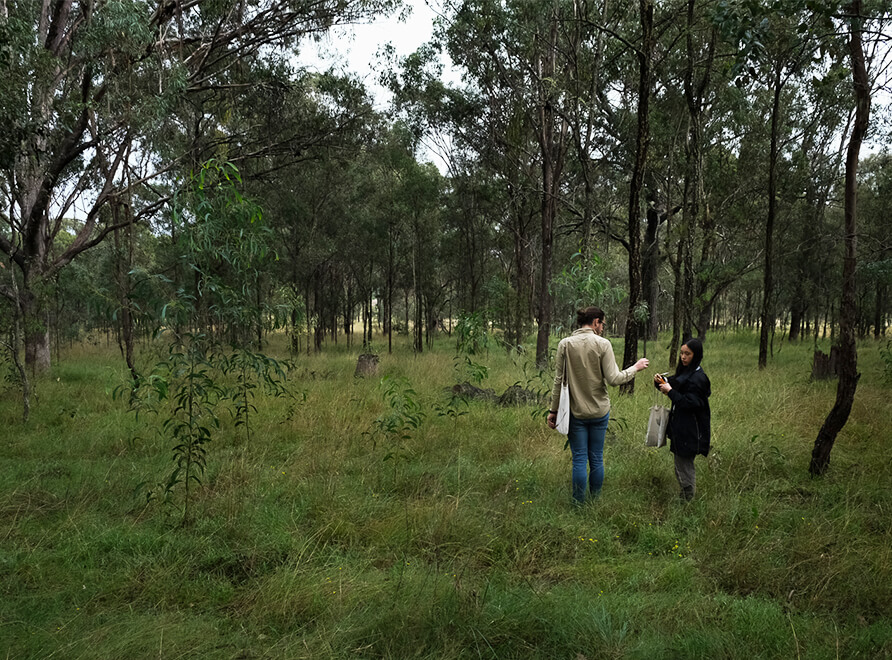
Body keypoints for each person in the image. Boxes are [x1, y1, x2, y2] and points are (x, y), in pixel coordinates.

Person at [547, 307, 649, 504]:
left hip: (575, 412)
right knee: (596, 458)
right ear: (595, 322)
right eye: (602, 324)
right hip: (599, 411)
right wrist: (635, 368)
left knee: (579, 459)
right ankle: (595, 500)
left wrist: (553, 410)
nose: (602, 328)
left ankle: (578, 503)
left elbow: (558, 381)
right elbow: (614, 379)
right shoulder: (603, 344)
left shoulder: (565, 345)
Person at [654, 337, 711, 501]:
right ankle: (686, 495)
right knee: (680, 463)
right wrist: (661, 382)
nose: (683, 357)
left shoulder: (698, 378)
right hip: (682, 428)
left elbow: (690, 403)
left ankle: (687, 499)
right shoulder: (687, 373)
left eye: (688, 354)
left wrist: (670, 391)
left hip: (691, 430)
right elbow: (675, 383)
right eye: (682, 353)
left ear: (696, 355)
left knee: (684, 465)